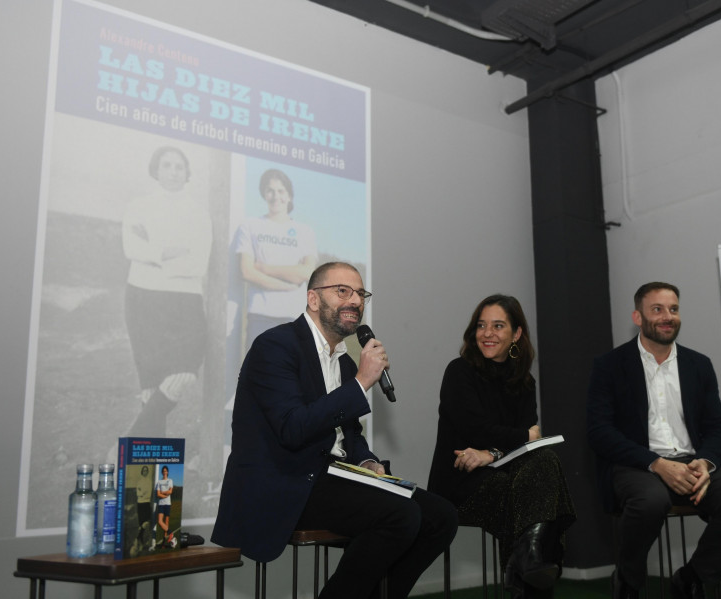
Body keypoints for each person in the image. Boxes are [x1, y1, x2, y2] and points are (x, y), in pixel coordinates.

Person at [212, 262, 458, 599]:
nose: (355, 301)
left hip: (333, 476)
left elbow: (349, 436)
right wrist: (361, 383)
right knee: (401, 515)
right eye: (343, 291)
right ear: (313, 299)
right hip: (287, 479)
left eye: (360, 294)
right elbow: (292, 428)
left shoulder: (342, 361)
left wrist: (369, 463)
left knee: (441, 516)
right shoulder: (275, 346)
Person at [586, 282, 721, 599]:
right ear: (638, 317)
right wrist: (655, 463)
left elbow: (717, 428)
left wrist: (705, 463)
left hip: (692, 462)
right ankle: (628, 582)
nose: (667, 316)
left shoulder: (699, 365)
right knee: (651, 502)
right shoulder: (609, 365)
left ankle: (691, 578)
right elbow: (599, 432)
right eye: (657, 309)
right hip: (636, 464)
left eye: (673, 309)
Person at [428, 294, 576, 599]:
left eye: (498, 326)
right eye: (481, 325)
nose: (487, 333)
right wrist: (514, 439)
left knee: (542, 462)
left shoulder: (524, 381)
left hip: (507, 474)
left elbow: (526, 446)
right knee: (525, 494)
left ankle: (525, 560)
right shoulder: (459, 372)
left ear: (516, 334)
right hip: (460, 479)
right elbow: (476, 429)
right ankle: (528, 562)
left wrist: (491, 452)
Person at [122, 145, 212, 436]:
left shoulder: (198, 213)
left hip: (185, 302)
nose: (172, 171)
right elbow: (130, 248)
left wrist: (153, 255)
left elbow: (198, 263)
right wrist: (172, 251)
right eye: (166, 165)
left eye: (178, 166)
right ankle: (147, 478)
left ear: (187, 172)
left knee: (183, 374)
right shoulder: (139, 205)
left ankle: (128, 439)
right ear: (156, 170)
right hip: (142, 298)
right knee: (151, 385)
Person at [234, 168, 318, 350]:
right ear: (264, 194)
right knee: (259, 374)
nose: (275, 196)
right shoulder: (250, 226)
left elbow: (306, 272)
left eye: (281, 191)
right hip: (260, 315)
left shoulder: (305, 231)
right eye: (270, 190)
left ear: (289, 195)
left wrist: (264, 268)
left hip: (295, 317)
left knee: (292, 375)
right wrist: (287, 283)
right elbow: (247, 271)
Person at [154, 465, 174, 548]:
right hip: (161, 504)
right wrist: (164, 495)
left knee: (166, 523)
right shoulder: (159, 482)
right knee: (160, 521)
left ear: (167, 472)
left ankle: (164, 543)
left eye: (166, 471)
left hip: (168, 504)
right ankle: (171, 533)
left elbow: (170, 491)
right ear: (162, 472)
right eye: (163, 471)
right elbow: (158, 494)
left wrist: (163, 493)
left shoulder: (170, 480)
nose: (165, 472)